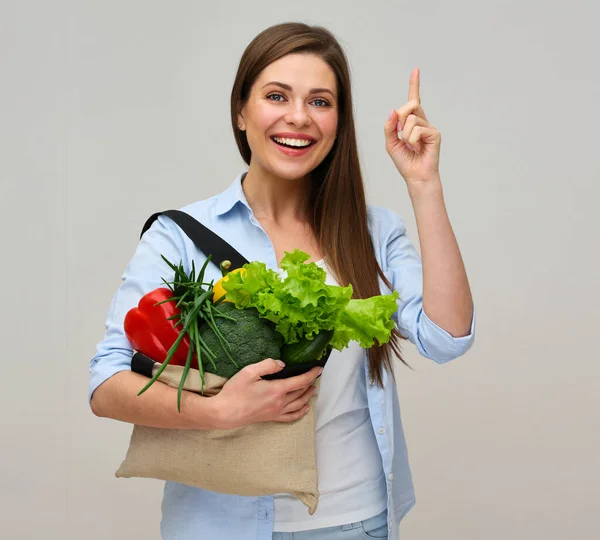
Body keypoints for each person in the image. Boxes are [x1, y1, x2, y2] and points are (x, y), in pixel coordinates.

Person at [89, 22, 475, 540]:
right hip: (220, 526)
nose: (299, 117)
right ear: (241, 112)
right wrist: (217, 411)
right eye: (277, 96)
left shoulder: (373, 231)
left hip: (356, 521)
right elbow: (106, 384)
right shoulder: (179, 236)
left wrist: (424, 183)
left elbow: (447, 337)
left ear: (339, 121)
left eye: (320, 101)